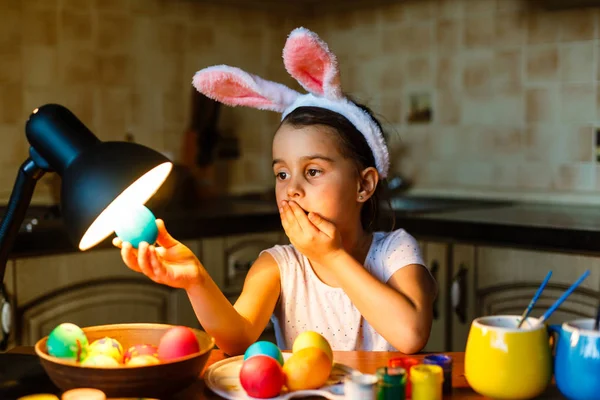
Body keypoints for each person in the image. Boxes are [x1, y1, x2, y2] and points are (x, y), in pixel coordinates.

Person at [113, 27, 437, 355]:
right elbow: (236, 338)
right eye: (282, 173)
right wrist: (196, 280)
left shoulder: (395, 252)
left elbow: (411, 335)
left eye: (312, 171)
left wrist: (332, 255)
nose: (292, 189)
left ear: (363, 185)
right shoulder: (278, 266)